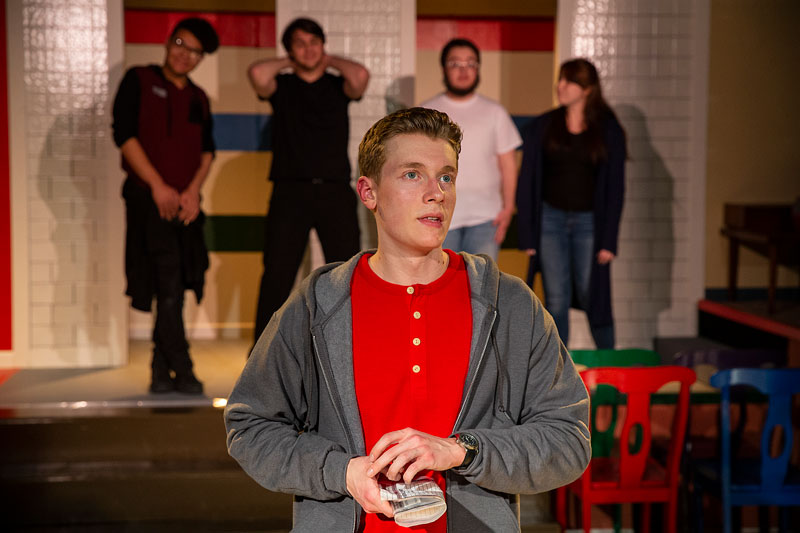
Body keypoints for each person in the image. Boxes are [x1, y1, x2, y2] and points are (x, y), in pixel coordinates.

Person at [225, 107, 590, 531]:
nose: (436, 192)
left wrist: (463, 451)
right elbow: (249, 425)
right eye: (412, 174)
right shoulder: (318, 304)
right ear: (368, 192)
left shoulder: (507, 303)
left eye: (446, 176)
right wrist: (341, 472)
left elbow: (568, 440)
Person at [112, 18, 219, 394]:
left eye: (193, 50)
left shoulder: (198, 97)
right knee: (166, 282)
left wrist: (192, 192)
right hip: (147, 200)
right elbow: (123, 135)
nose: (184, 54)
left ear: (200, 58)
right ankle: (182, 367)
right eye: (180, 43)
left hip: (185, 205)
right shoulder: (139, 79)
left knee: (175, 284)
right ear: (168, 42)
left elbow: (207, 151)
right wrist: (158, 186)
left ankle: (161, 369)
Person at [247, 17, 369, 343]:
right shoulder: (283, 87)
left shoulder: (335, 85)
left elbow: (360, 77)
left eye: (314, 42)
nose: (308, 49)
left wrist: (325, 60)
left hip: (333, 190)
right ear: (289, 50)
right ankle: (260, 358)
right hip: (290, 190)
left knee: (345, 274)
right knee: (277, 275)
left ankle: (346, 348)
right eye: (300, 44)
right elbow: (258, 75)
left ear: (323, 45)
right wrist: (293, 61)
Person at [516, 58, 626, 349]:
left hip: (589, 223)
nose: (560, 86)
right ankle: (558, 372)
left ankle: (609, 365)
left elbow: (616, 188)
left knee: (593, 294)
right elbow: (526, 181)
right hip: (550, 220)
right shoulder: (544, 126)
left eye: (569, 81)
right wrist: (527, 233)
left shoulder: (607, 130)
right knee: (556, 296)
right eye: (561, 80)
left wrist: (609, 240)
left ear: (587, 89)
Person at [420, 38, 521, 260]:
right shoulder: (427, 112)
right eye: (455, 64)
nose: (464, 70)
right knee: (440, 287)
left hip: (486, 218)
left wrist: (509, 208)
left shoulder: (495, 112)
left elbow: (508, 163)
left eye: (471, 64)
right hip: (439, 215)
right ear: (444, 68)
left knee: (480, 289)